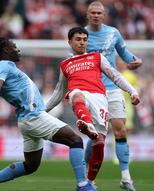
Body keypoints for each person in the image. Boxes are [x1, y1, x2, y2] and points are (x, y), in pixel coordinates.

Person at [0, 37, 96, 191]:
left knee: (31, 165)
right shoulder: (4, 65)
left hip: (27, 120)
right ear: (6, 50)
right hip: (34, 116)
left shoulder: (5, 67)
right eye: (14, 47)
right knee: (75, 140)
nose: (18, 49)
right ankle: (83, 185)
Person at [46, 27, 140, 189]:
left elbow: (115, 75)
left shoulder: (97, 57)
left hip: (100, 100)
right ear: (69, 42)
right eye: (78, 39)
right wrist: (43, 110)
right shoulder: (65, 64)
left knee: (99, 143)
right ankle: (87, 123)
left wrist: (132, 90)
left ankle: (89, 182)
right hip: (81, 97)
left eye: (84, 39)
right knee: (76, 94)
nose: (82, 42)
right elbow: (58, 92)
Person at [85, 1, 143, 191]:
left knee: (120, 130)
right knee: (96, 137)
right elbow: (74, 60)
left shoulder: (113, 33)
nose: (96, 15)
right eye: (93, 12)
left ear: (104, 15)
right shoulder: (82, 35)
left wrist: (134, 61)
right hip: (92, 90)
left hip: (113, 87)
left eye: (99, 13)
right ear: (87, 14)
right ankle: (88, 179)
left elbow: (125, 54)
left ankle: (126, 178)